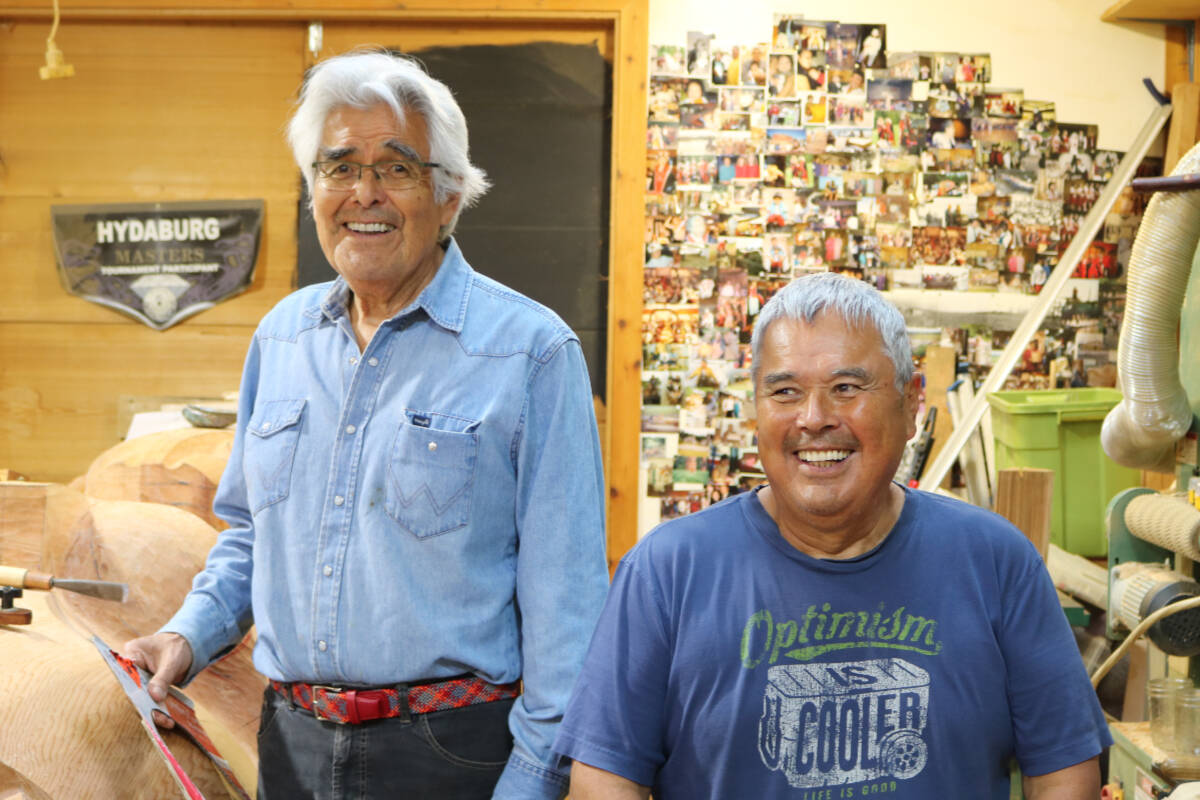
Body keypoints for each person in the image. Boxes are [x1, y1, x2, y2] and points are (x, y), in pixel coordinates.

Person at [124, 50, 609, 800]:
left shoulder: (530, 352)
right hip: (291, 746)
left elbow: (568, 611)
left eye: (397, 168)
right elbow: (254, 534)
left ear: (448, 195)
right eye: (339, 167)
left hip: (456, 758)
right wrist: (186, 635)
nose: (364, 194)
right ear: (314, 188)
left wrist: (533, 781)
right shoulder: (282, 338)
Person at [554, 272, 1110, 799]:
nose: (814, 418)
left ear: (911, 402)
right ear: (756, 409)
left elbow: (1064, 767)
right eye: (786, 392)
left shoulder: (996, 562)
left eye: (846, 387)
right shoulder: (667, 572)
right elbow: (605, 779)